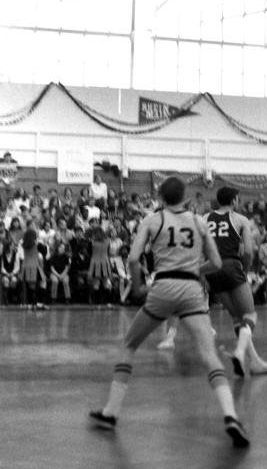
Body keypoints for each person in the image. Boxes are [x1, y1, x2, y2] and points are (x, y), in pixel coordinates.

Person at [89, 176, 249, 448]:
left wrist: (138, 287)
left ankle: (111, 412)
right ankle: (231, 416)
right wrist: (192, 270)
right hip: (191, 290)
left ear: (161, 197)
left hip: (163, 287)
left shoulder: (153, 220)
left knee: (129, 345)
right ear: (185, 197)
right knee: (209, 355)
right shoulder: (198, 221)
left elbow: (133, 258)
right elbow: (216, 262)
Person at [205, 187, 267, 376]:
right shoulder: (240, 219)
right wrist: (244, 270)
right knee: (250, 315)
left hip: (211, 269)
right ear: (234, 201)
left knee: (237, 317)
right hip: (231, 266)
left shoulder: (204, 218)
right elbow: (248, 252)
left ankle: (255, 361)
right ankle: (239, 352)